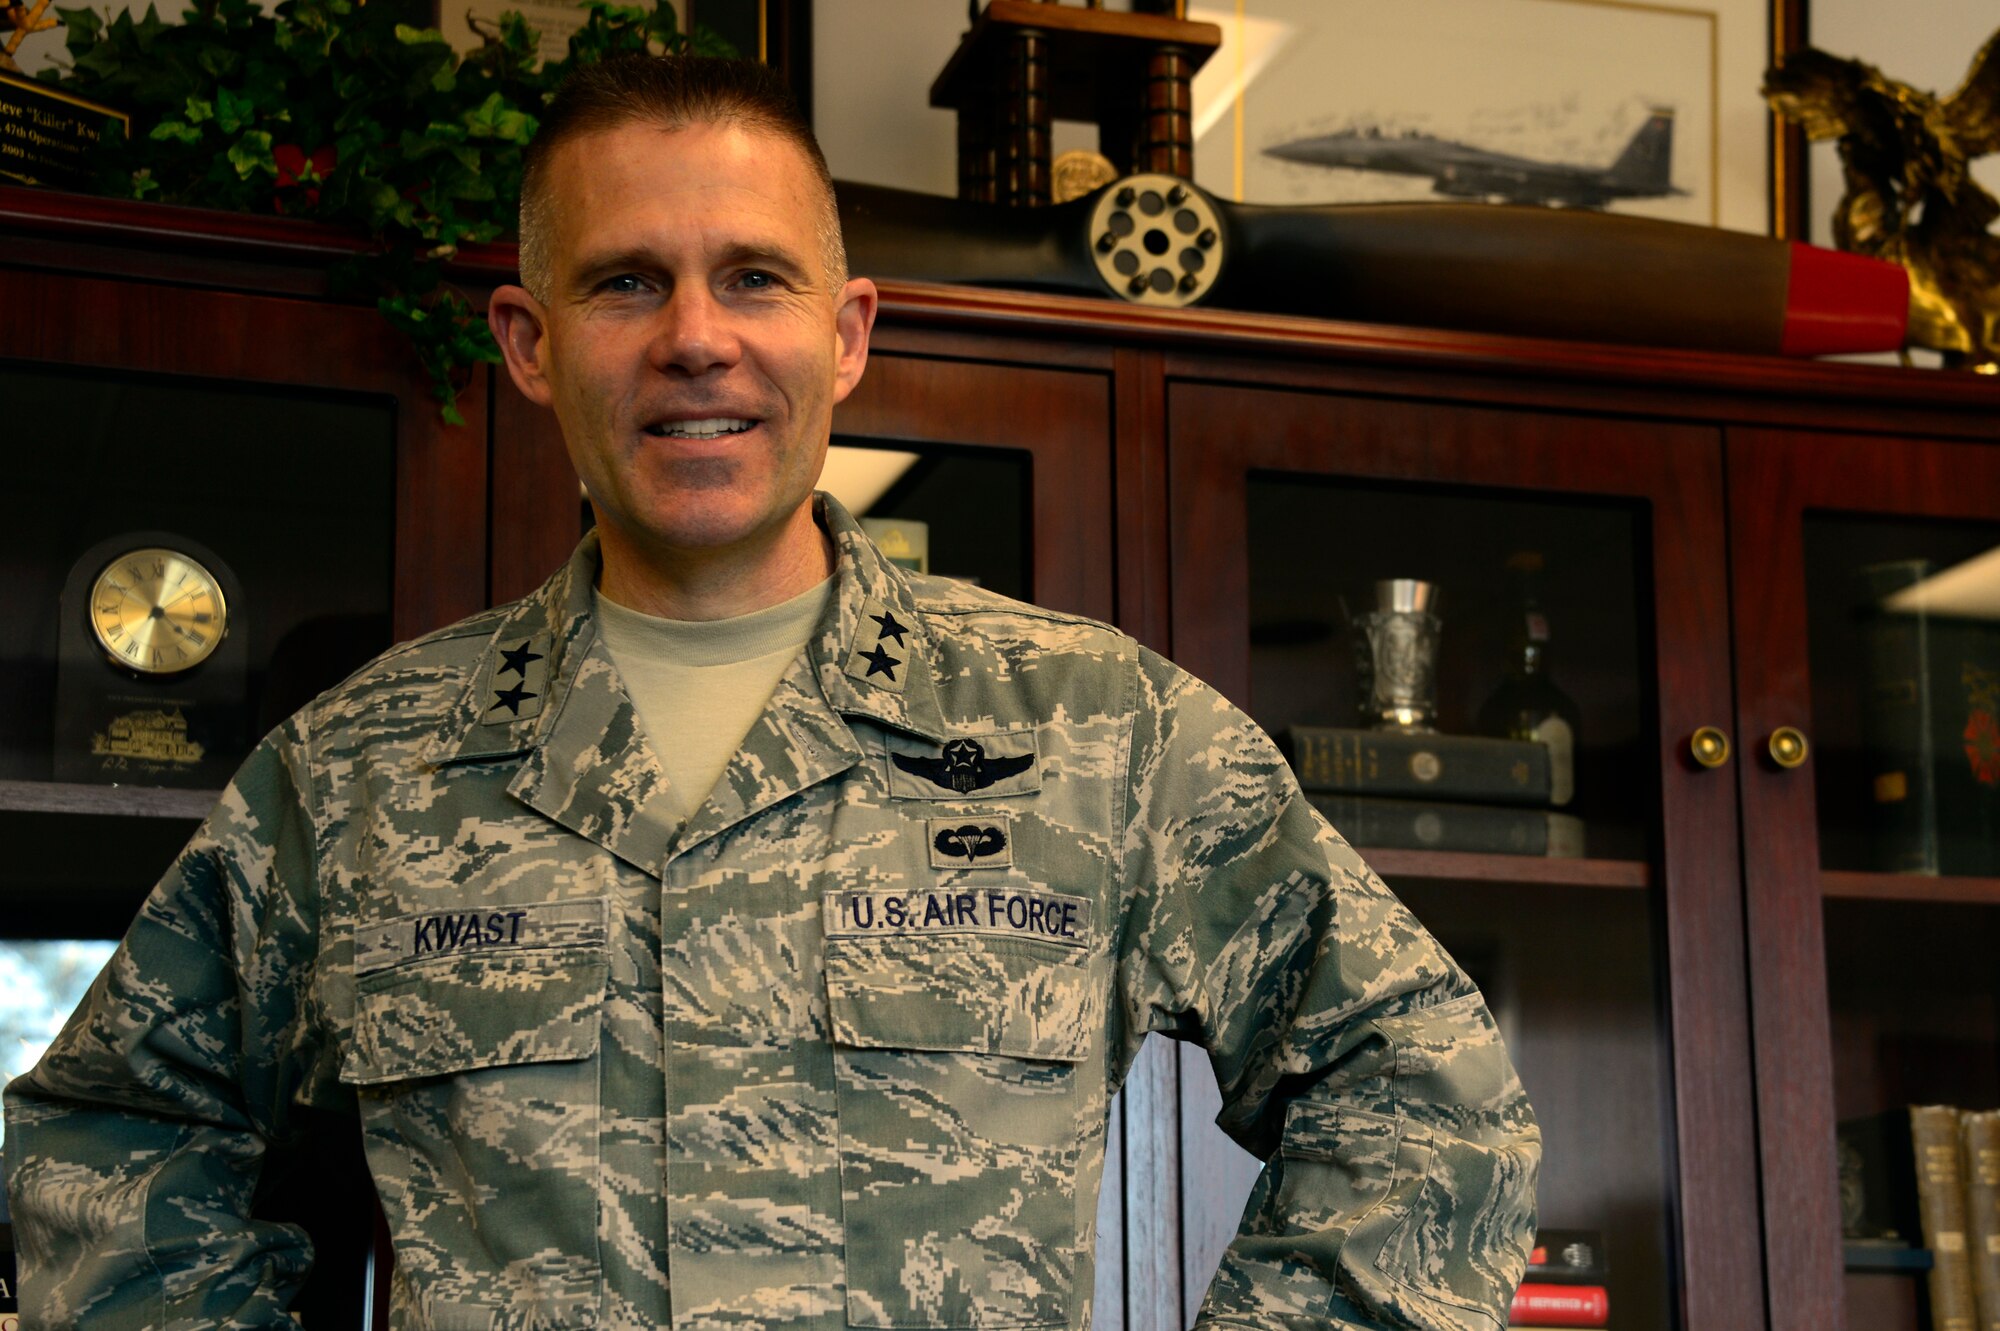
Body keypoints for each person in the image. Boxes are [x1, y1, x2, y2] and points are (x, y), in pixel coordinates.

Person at [4, 54, 1539, 1331]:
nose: (695, 338)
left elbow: (1424, 1087)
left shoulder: (1095, 730)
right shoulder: (359, 774)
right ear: (532, 346)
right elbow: (113, 1126)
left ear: (847, 331)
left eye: (754, 276)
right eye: (625, 283)